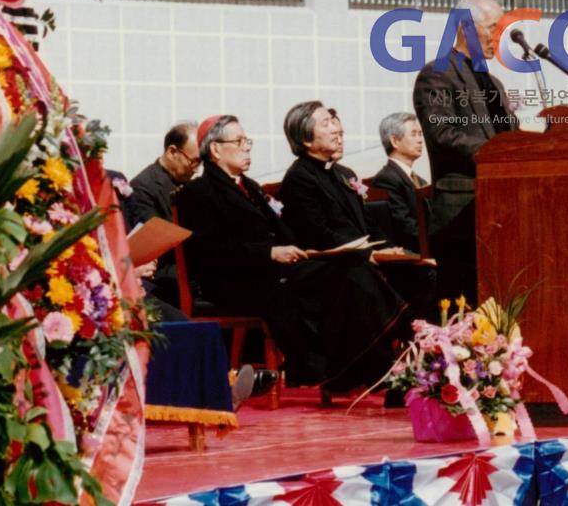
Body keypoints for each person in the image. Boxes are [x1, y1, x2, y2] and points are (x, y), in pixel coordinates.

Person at [175, 114, 407, 391]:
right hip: (236, 280)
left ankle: (361, 366)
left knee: (349, 268)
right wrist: (270, 253)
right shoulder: (197, 192)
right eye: (239, 141)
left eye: (247, 141)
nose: (247, 147)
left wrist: (306, 251)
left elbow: (281, 231)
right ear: (215, 149)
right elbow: (209, 250)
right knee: (345, 275)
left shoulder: (248, 186)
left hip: (272, 271)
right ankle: (378, 354)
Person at [278, 101, 437, 323]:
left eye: (334, 123)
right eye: (326, 124)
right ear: (306, 139)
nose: (335, 129)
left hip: (359, 258)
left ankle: (432, 345)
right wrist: (366, 254)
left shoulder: (343, 173)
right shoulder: (299, 177)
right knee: (367, 277)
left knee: (425, 270)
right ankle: (411, 339)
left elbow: (368, 224)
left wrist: (390, 250)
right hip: (328, 265)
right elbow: (318, 234)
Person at [413, 0, 519, 301]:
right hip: (462, 210)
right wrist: (495, 155)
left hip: (502, 207)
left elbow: (511, 136)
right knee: (462, 304)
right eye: (492, 28)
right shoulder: (437, 75)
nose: (498, 38)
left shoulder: (493, 83)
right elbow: (443, 134)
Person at [126, 122, 200, 319]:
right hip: (164, 268)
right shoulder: (143, 186)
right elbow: (157, 237)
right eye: (193, 161)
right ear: (172, 151)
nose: (196, 169)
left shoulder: (190, 184)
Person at [370, 111, 428, 254]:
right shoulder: (386, 179)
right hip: (408, 256)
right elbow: (405, 227)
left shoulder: (420, 180)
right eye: (414, 134)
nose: (420, 140)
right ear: (395, 141)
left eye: (420, 134)